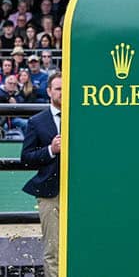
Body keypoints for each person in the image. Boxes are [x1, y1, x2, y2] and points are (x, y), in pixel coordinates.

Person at [21, 72, 60, 276]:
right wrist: (51, 150)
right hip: (49, 193)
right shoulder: (37, 121)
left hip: (79, 191)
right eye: (58, 89)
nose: (62, 93)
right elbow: (26, 157)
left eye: (65, 89)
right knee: (52, 249)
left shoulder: (82, 117)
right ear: (48, 91)